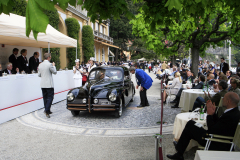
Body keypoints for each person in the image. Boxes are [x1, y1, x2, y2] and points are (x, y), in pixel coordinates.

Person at [167, 92, 240, 160]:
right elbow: (219, 125)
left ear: (229, 101)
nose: (222, 99)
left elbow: (212, 129)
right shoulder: (233, 112)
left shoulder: (231, 115)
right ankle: (179, 150)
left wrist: (209, 115)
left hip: (215, 141)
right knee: (191, 123)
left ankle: (179, 151)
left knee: (190, 127)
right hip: (215, 136)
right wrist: (214, 114)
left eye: (224, 98)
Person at [38, 53, 57, 118]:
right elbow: (55, 72)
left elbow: (39, 75)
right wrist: (54, 65)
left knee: (45, 97)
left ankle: (47, 110)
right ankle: (46, 110)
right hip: (49, 84)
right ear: (48, 57)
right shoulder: (49, 64)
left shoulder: (40, 65)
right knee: (50, 97)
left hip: (42, 84)